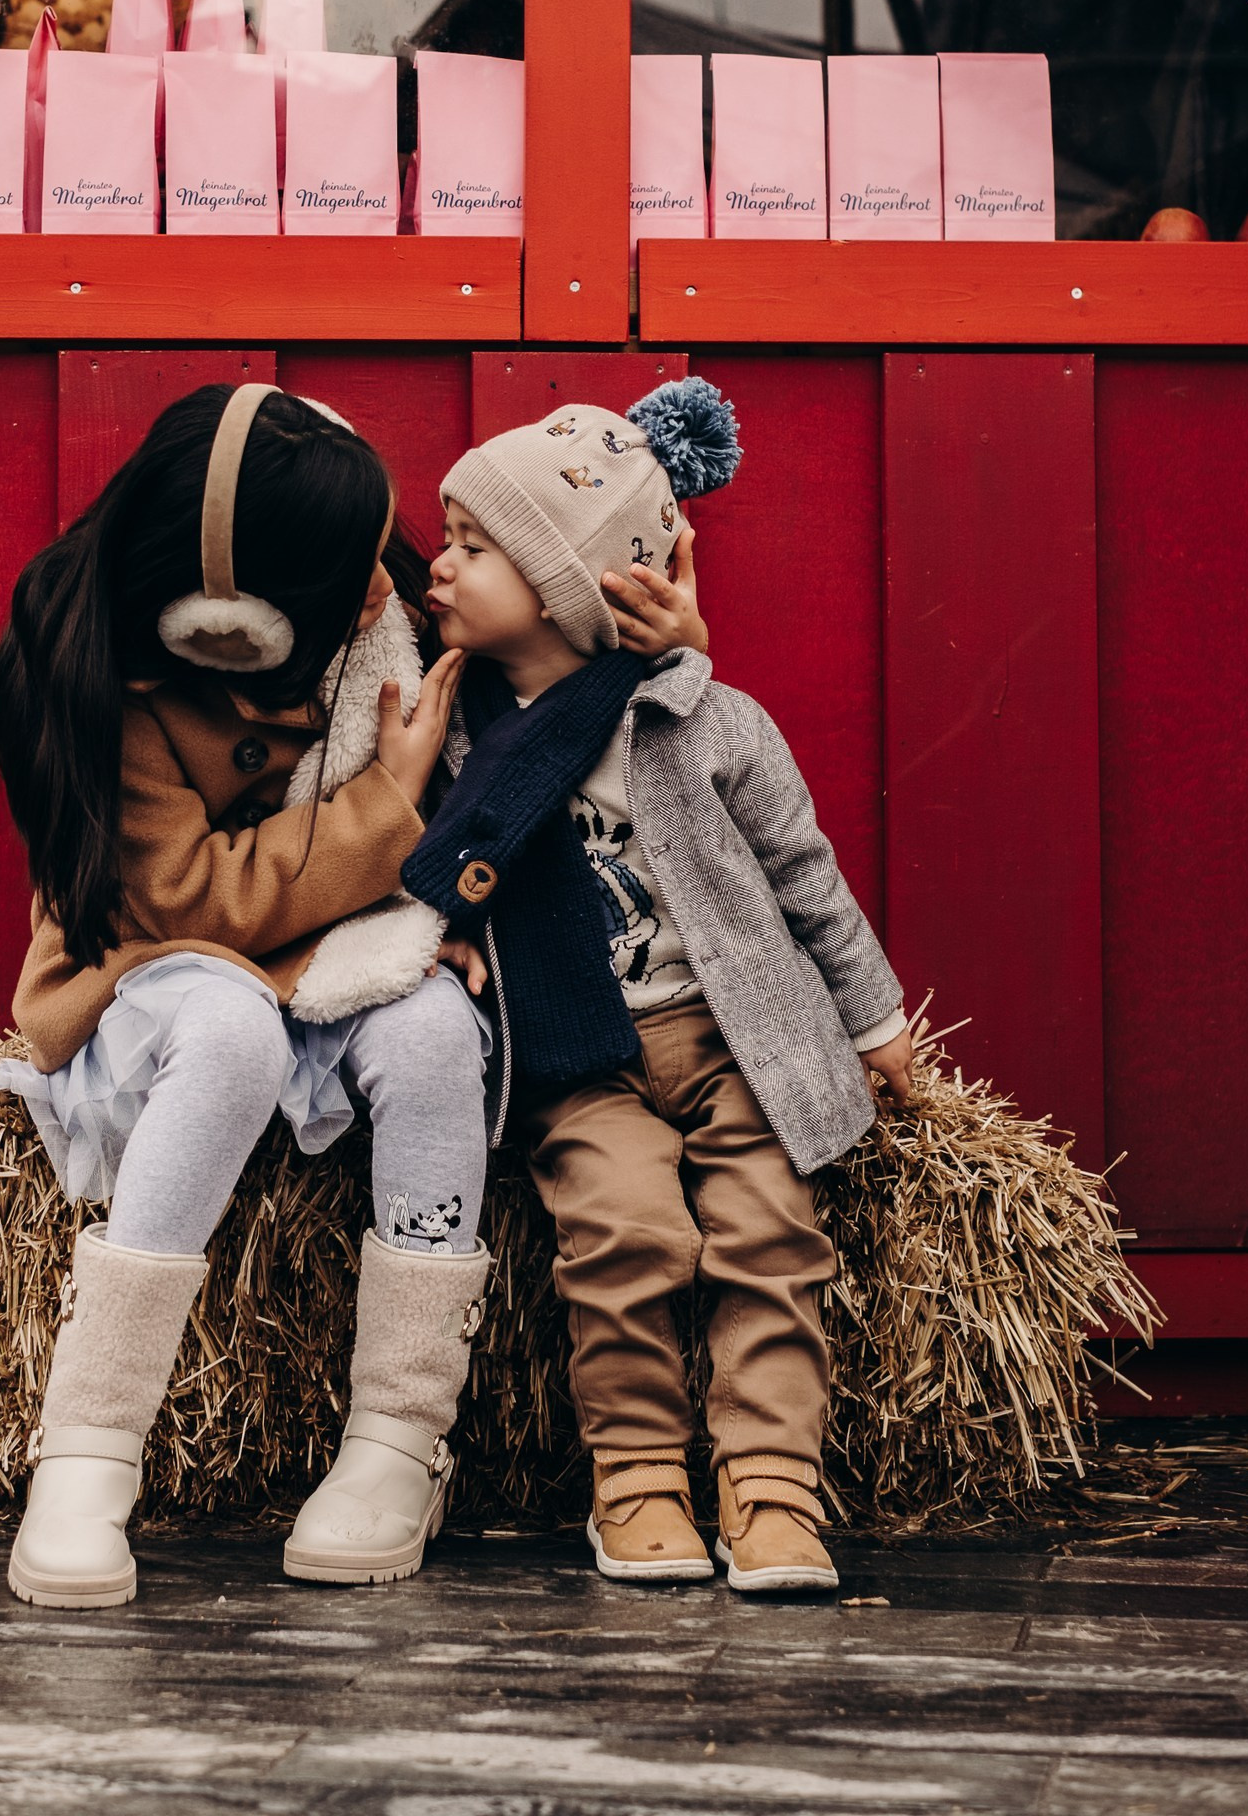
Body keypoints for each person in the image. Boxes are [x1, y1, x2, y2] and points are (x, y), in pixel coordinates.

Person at [402, 377, 914, 1597]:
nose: (441, 563)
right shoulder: (454, 734)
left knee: (768, 1236)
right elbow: (403, 869)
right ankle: (635, 1479)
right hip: (580, 1061)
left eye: (476, 547)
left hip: (734, 1038)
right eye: (447, 536)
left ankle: (774, 1485)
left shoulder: (705, 718)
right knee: (626, 1233)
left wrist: (876, 1020)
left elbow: (805, 879)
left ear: (568, 589)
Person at [0, 381, 489, 1608]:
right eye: (359, 574)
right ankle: (88, 1448)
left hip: (338, 961)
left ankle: (398, 1438)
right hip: (149, 991)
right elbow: (187, 903)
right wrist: (389, 806)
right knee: (227, 1025)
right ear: (236, 624)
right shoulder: (104, 678)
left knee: (431, 1029)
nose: (393, 587)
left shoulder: (385, 632)